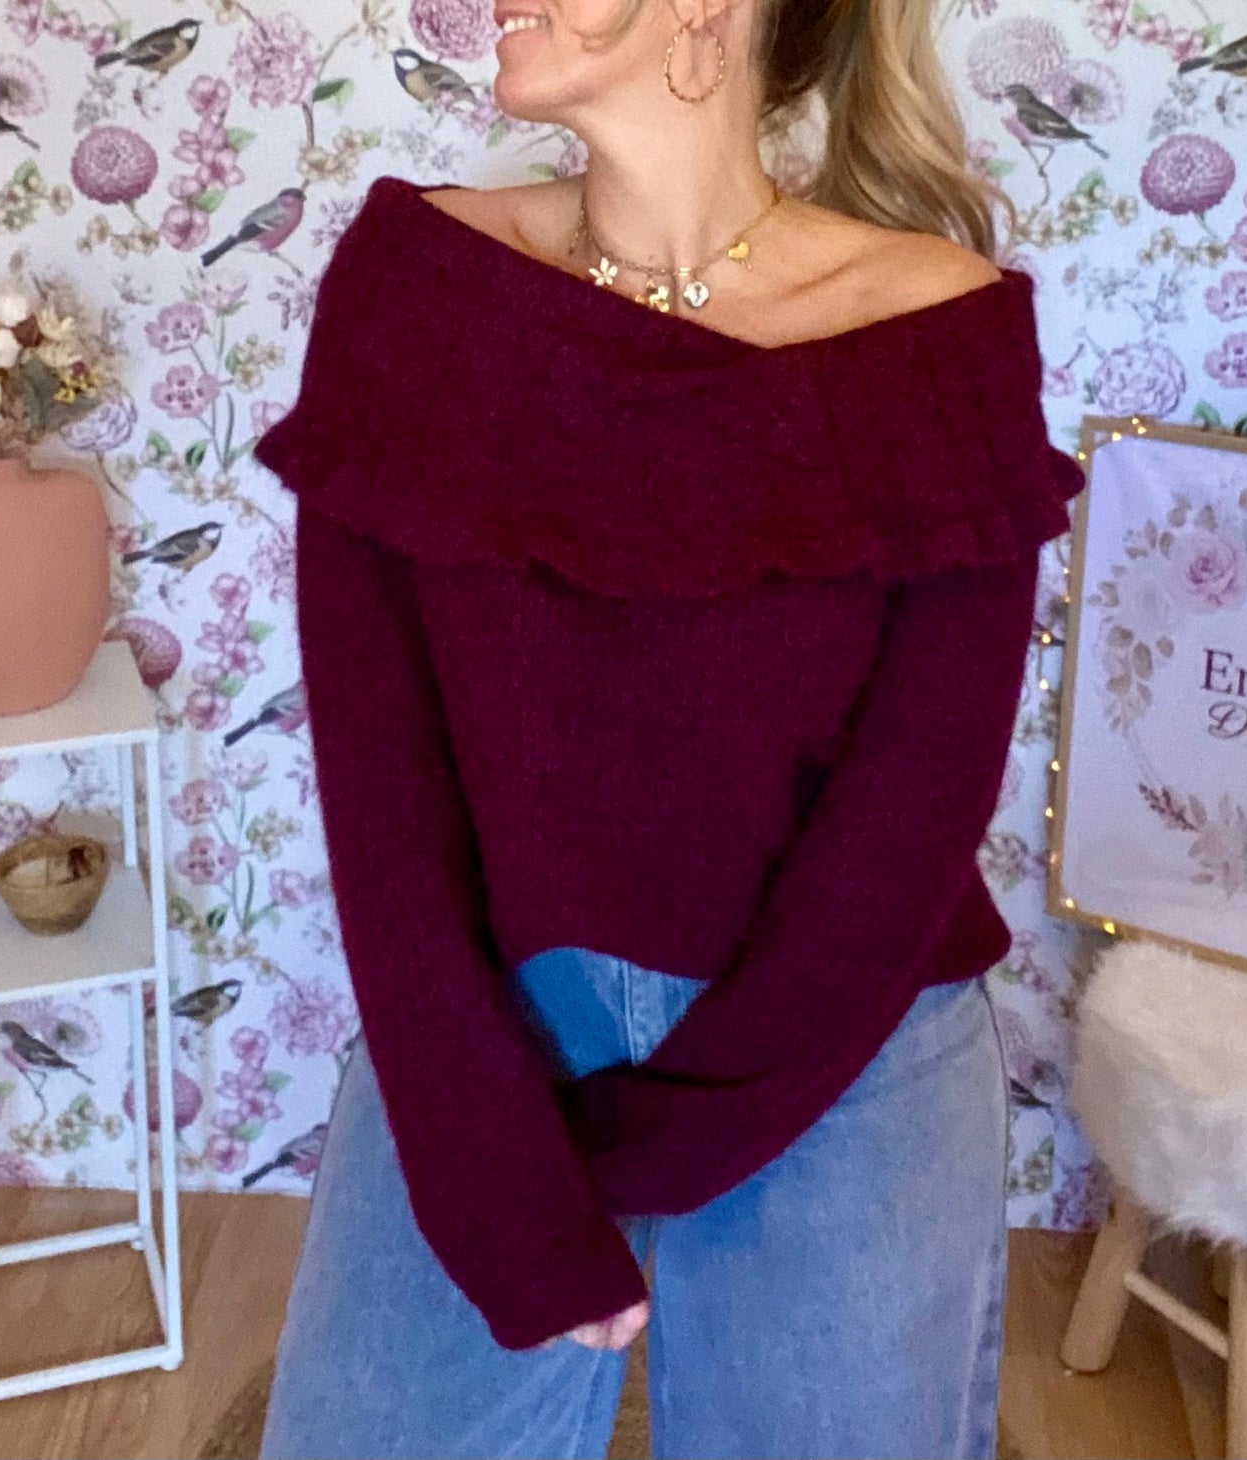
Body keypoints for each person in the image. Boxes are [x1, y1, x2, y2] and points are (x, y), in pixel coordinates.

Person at [249, 0, 1083, 1448]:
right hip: (478, 1053)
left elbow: (914, 811)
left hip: (847, 1051)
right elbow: (381, 792)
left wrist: (661, 1145)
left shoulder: (941, 331)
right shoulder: (414, 284)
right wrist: (495, 1164)